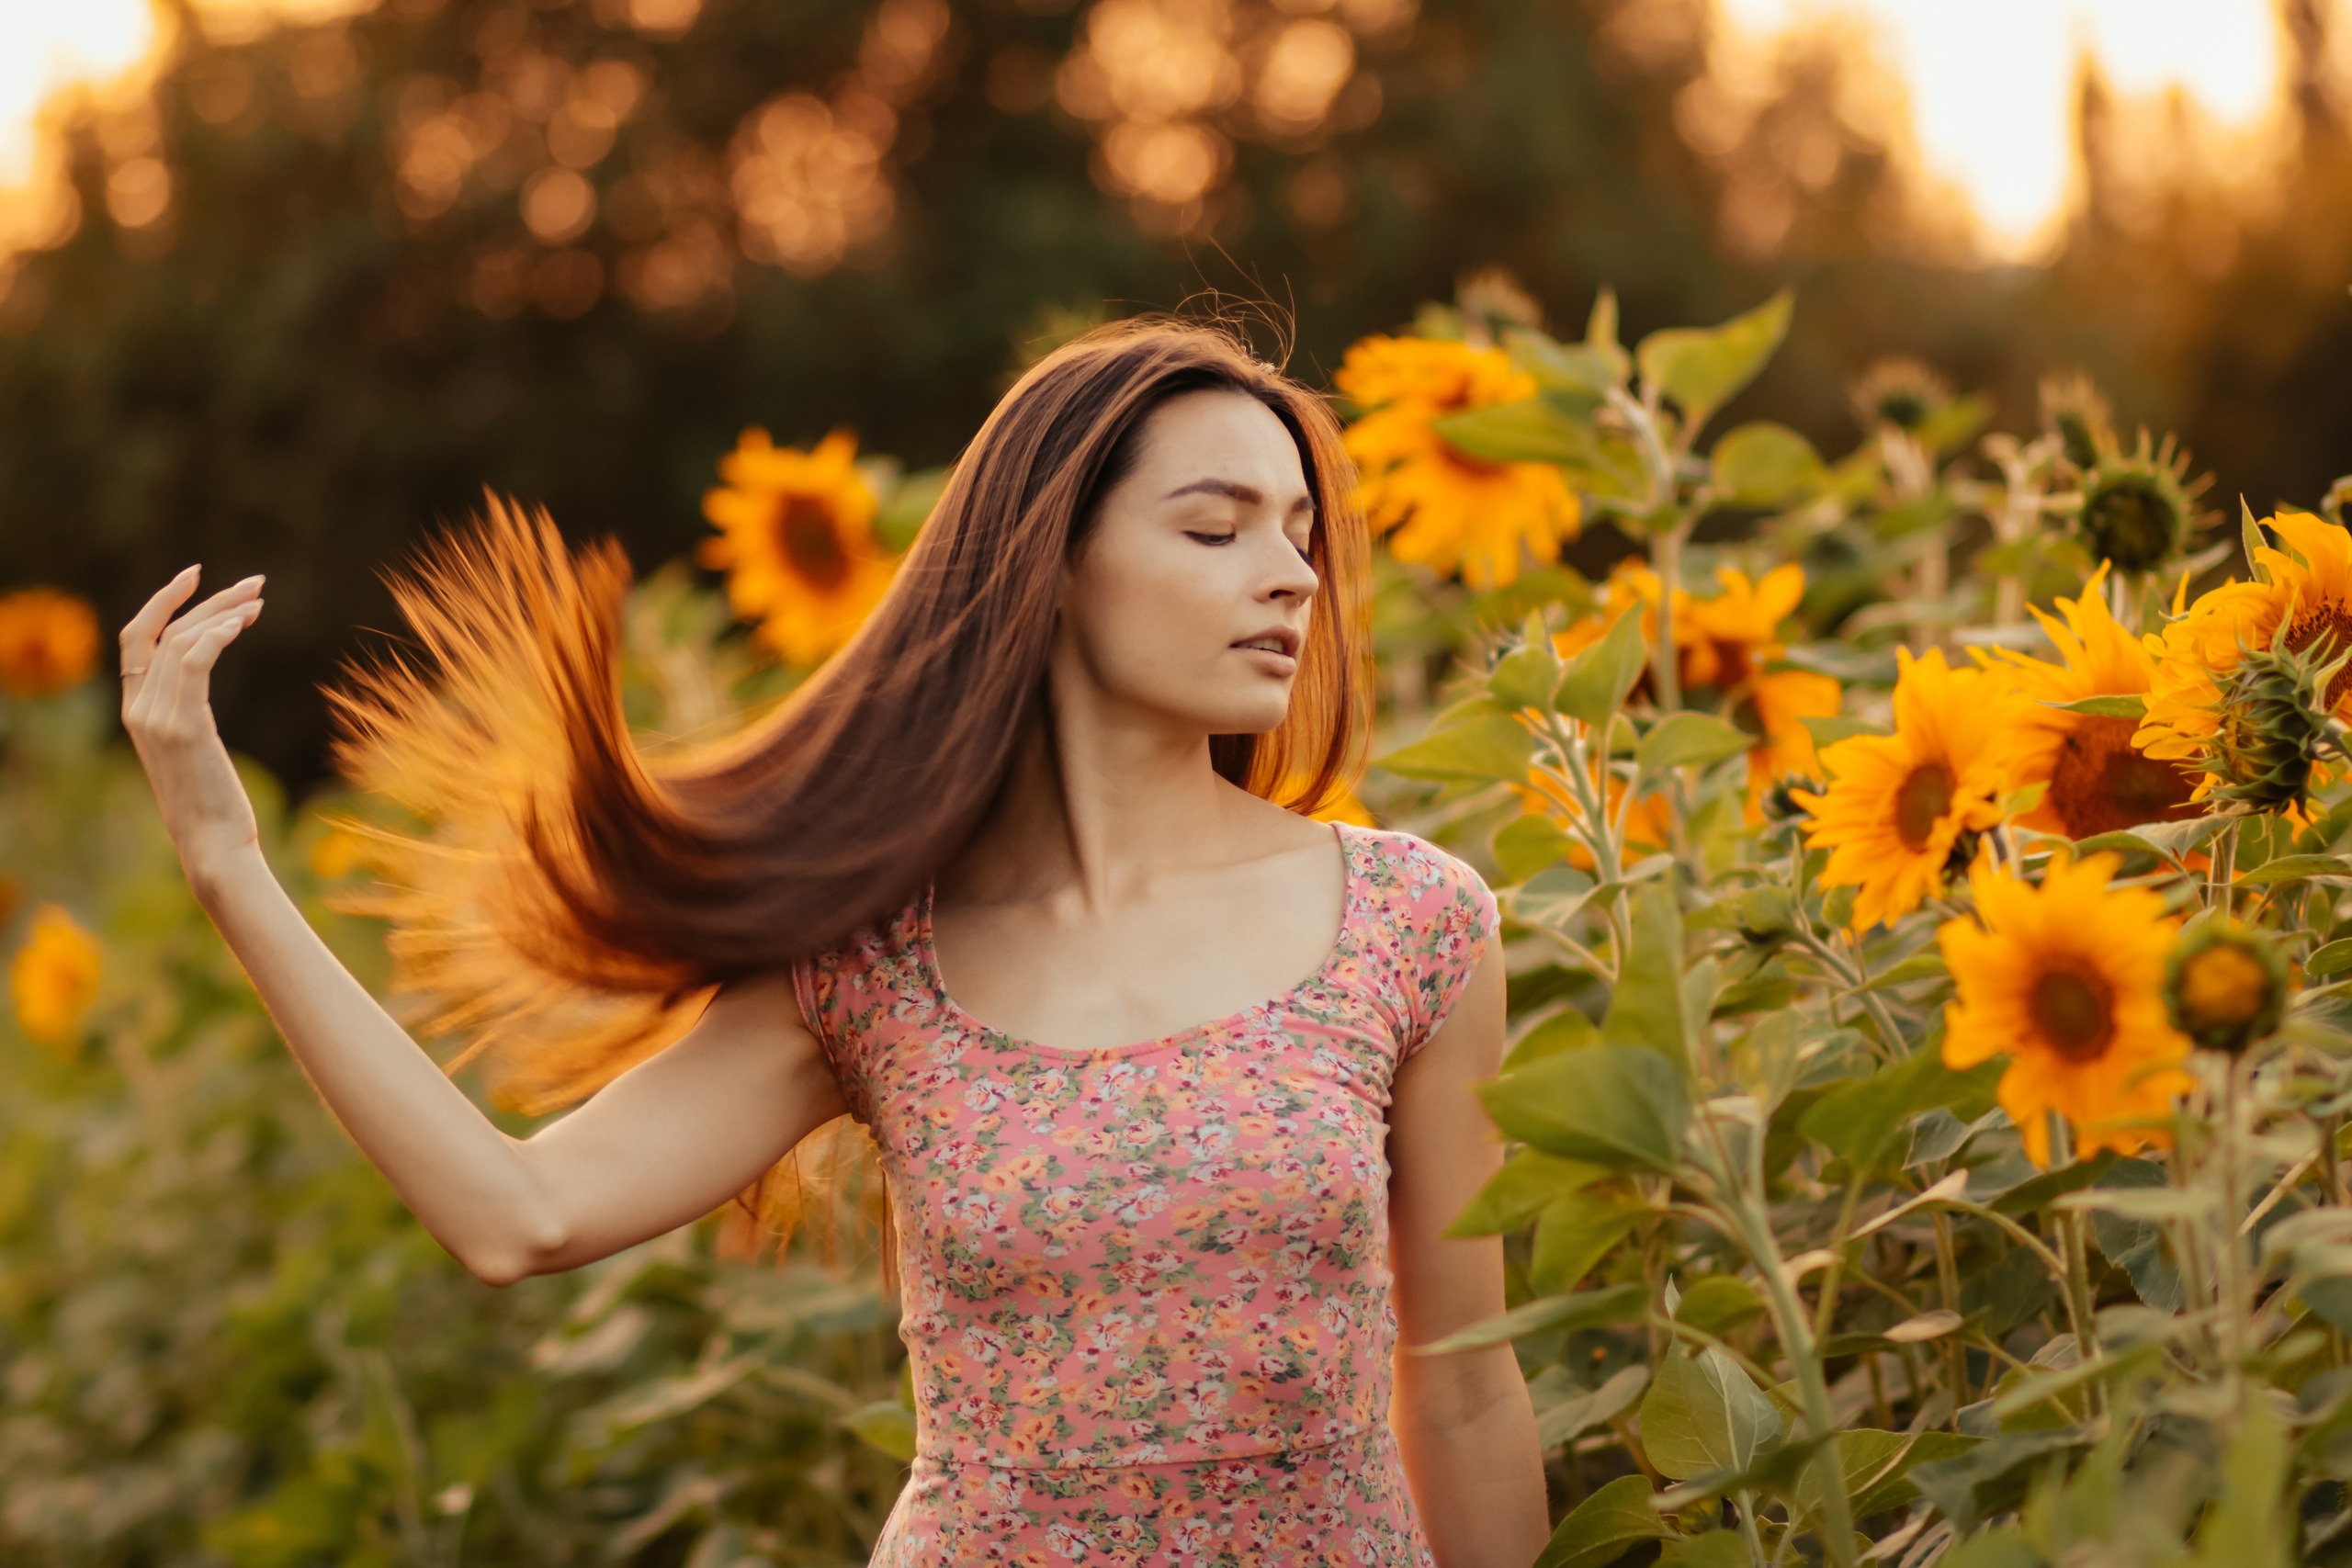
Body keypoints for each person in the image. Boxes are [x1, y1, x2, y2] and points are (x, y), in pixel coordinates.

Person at [117, 319, 1549, 1566]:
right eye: (1216, 526)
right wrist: (229, 864)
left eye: (1301, 531)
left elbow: (1467, 1387)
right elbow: (517, 1216)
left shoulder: (1407, 927)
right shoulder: (875, 972)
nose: (1293, 574)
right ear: (1055, 560)